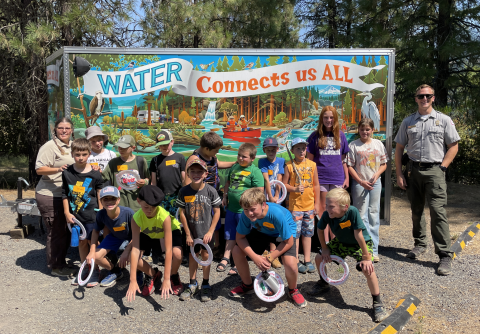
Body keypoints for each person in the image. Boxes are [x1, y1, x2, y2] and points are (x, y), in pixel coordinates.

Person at [394, 84, 460, 275]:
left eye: (428, 96)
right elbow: (399, 148)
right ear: (416, 98)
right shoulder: (408, 122)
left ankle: (444, 254)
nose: (424, 99)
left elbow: (453, 146)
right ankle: (420, 244)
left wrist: (443, 167)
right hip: (413, 171)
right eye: (421, 96)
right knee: (416, 210)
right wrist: (399, 173)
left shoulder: (443, 120)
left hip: (435, 171)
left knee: (438, 212)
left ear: (433, 98)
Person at [310, 188, 388, 322]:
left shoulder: (352, 211)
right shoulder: (327, 214)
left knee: (367, 269)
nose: (327, 208)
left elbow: (359, 235)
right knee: (318, 258)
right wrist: (324, 248)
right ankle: (323, 283)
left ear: (345, 207)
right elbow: (320, 229)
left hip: (360, 243)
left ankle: (378, 303)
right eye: (327, 205)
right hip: (341, 242)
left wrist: (366, 257)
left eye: (331, 206)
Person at [228, 188, 307, 308]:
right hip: (262, 231)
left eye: (253, 209)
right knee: (237, 250)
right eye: (246, 210)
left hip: (283, 236)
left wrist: (269, 257)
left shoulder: (277, 214)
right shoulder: (247, 215)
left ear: (263, 205)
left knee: (290, 263)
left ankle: (292, 290)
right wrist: (255, 258)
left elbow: (289, 242)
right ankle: (247, 285)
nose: (249, 213)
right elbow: (240, 238)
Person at [126, 186, 184, 301]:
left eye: (153, 207)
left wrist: (166, 279)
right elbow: (136, 248)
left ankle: (173, 275)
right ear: (138, 201)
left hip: (170, 231)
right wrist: (132, 281)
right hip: (151, 233)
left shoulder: (164, 217)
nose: (150, 210)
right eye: (146, 207)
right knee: (132, 258)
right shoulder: (136, 218)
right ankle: (153, 274)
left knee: (177, 253)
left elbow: (168, 250)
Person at [176, 158, 221, 302]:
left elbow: (217, 212)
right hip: (191, 233)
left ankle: (206, 283)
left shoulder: (211, 191)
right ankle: (192, 283)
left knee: (206, 256)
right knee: (192, 256)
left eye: (199, 171)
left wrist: (210, 231)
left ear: (205, 173)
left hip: (206, 232)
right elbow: (182, 213)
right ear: (188, 173)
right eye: (193, 171)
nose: (196, 174)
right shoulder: (184, 191)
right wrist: (188, 234)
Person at [35, 118, 76, 277]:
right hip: (50, 195)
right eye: (61, 128)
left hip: (65, 195)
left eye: (67, 128)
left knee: (64, 230)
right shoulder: (49, 146)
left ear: (72, 130)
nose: (64, 131)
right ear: (56, 129)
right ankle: (56, 267)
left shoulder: (72, 145)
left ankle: (60, 261)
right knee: (57, 231)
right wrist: (58, 169)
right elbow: (39, 169)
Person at [185, 131, 236, 258]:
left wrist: (234, 164)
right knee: (203, 223)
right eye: (216, 150)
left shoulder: (211, 156)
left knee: (215, 221)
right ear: (206, 148)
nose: (217, 153)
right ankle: (202, 250)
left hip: (214, 196)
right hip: (201, 198)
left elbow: (219, 164)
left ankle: (215, 247)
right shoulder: (195, 159)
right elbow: (187, 182)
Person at [62, 138, 104, 286]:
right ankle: (84, 269)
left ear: (89, 153)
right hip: (76, 217)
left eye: (84, 154)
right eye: (77, 154)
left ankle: (95, 270)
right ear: (72, 153)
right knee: (81, 243)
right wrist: (67, 213)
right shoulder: (67, 172)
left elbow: (100, 193)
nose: (80, 157)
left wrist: (101, 213)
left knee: (93, 242)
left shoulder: (95, 174)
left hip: (92, 215)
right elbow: (64, 194)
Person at [218, 143, 264, 275]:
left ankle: (238, 262)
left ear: (252, 158)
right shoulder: (234, 167)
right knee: (230, 234)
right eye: (239, 155)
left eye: (244, 157)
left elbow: (259, 192)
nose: (240, 158)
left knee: (243, 236)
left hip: (244, 212)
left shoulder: (255, 172)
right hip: (231, 208)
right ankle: (226, 257)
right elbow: (228, 183)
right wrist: (225, 196)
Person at [307, 106, 350, 243]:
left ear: (335, 119)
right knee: (323, 210)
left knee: (336, 210)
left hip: (337, 177)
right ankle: (325, 243)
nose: (328, 120)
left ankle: (335, 241)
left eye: (331, 117)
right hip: (321, 178)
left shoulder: (341, 135)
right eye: (326, 117)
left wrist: (347, 177)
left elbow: (343, 160)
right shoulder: (315, 136)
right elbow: (309, 161)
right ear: (322, 119)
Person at [347, 118, 388, 263]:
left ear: (372, 130)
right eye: (362, 129)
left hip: (375, 183)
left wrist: (376, 175)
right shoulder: (353, 145)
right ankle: (365, 250)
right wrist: (360, 181)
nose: (365, 132)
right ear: (358, 130)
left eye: (367, 129)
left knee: (374, 214)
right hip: (359, 184)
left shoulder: (378, 144)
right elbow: (350, 166)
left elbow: (384, 164)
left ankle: (374, 250)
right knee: (361, 216)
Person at [86, 186, 137, 287]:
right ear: (101, 201)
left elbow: (137, 234)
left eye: (113, 198)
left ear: (118, 200)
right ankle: (115, 270)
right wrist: (92, 251)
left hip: (132, 238)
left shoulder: (128, 213)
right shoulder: (100, 214)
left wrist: (126, 251)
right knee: (96, 257)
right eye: (106, 199)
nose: (109, 201)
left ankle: (138, 275)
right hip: (115, 237)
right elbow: (95, 231)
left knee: (135, 255)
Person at [283, 138, 320, 274]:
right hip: (295, 207)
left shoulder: (312, 165)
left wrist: (317, 203)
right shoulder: (289, 165)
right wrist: (295, 189)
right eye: (298, 148)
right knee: (296, 235)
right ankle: (296, 259)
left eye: (303, 148)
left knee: (308, 234)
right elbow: (284, 185)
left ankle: (308, 259)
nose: (301, 151)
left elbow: (316, 184)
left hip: (309, 206)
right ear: (292, 151)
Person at [102, 135, 149, 213]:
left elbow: (148, 179)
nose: (120, 149)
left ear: (133, 148)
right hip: (119, 205)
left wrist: (145, 182)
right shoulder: (113, 163)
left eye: (124, 147)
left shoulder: (141, 161)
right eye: (119, 147)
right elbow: (102, 177)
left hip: (137, 205)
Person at [258, 137, 285, 269]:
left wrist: (276, 195)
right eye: (268, 149)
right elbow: (266, 180)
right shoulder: (262, 161)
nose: (271, 151)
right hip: (265, 198)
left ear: (277, 149)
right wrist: (269, 196)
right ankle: (266, 251)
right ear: (264, 150)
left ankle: (274, 254)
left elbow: (279, 178)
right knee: (265, 223)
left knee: (276, 225)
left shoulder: (281, 161)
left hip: (277, 198)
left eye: (273, 149)